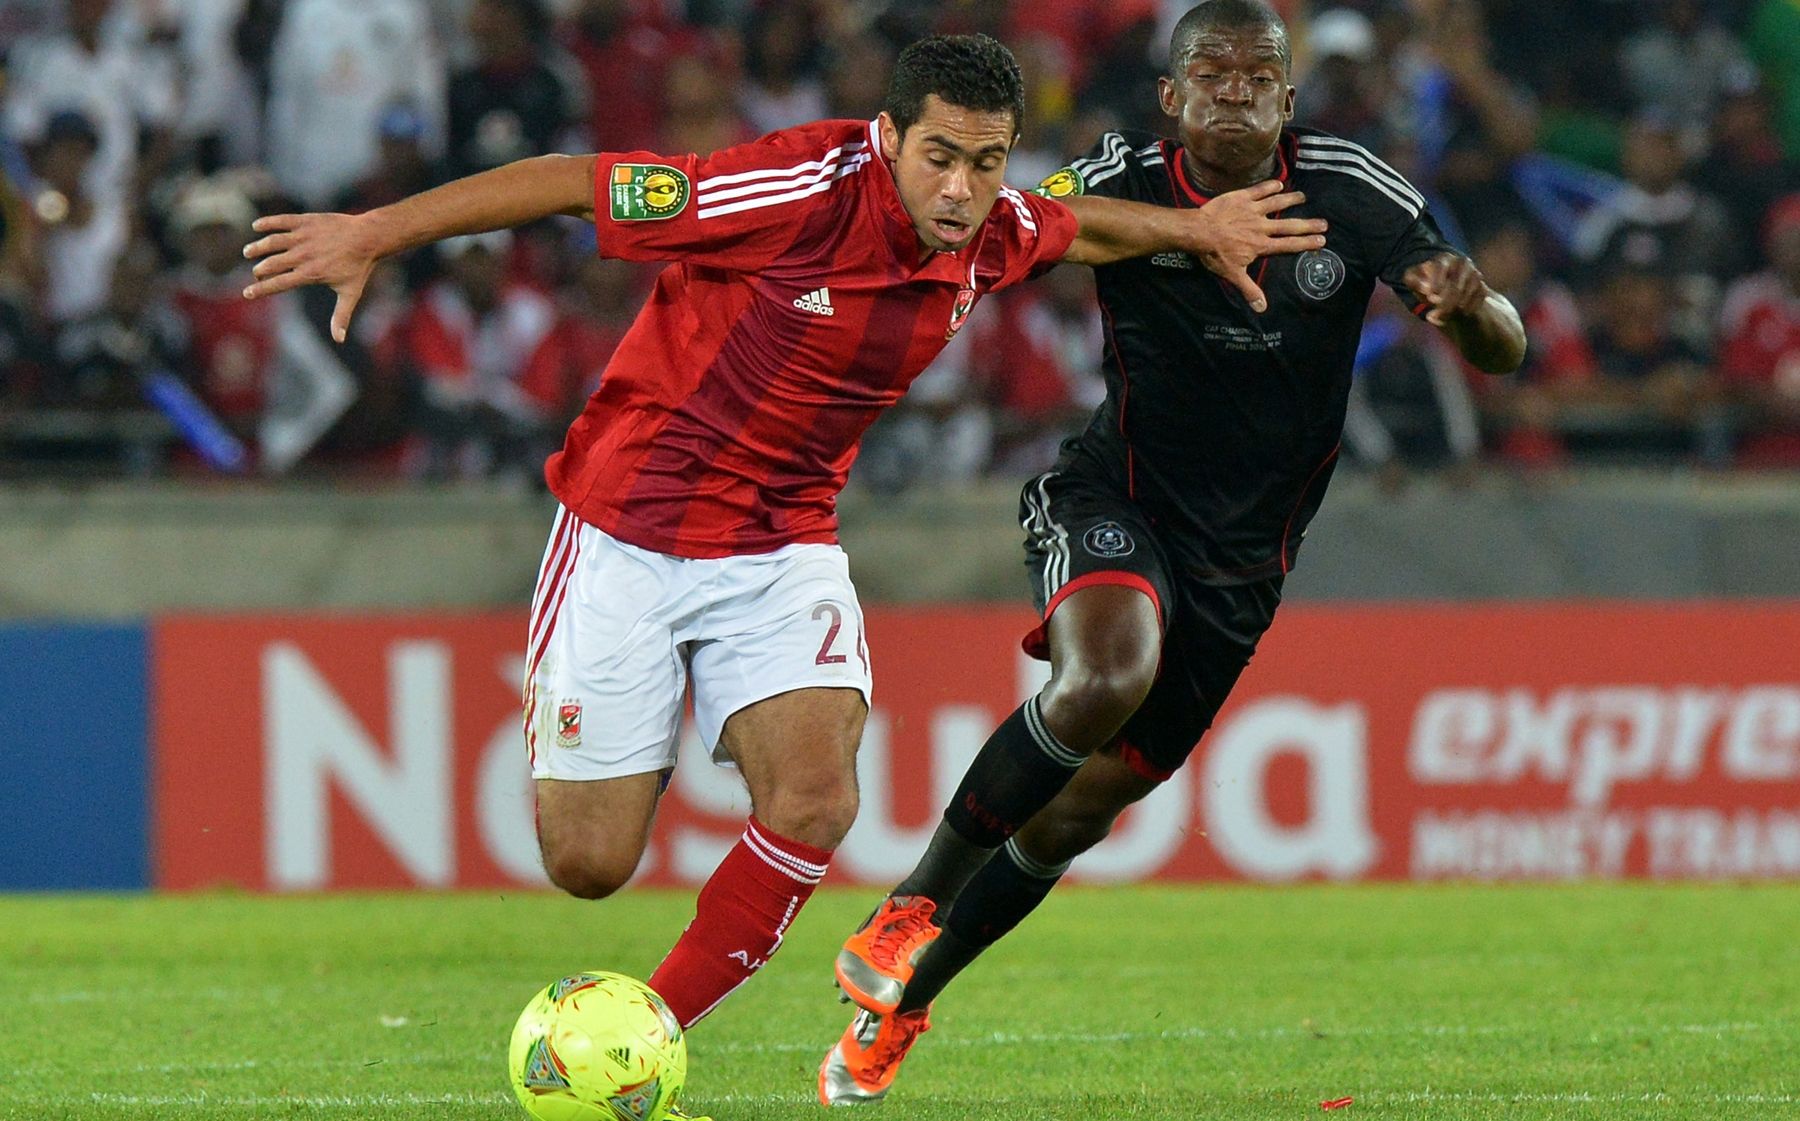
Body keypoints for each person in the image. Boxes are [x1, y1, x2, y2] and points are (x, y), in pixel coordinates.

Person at [242, 30, 1325, 1059]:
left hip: (781, 542)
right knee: (588, 862)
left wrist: (1199, 231)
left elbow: (1078, 225)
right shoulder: (793, 190)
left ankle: (646, 1040)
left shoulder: (992, 229)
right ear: (888, 137)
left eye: (986, 163)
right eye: (940, 157)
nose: (961, 188)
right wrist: (372, 233)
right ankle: (633, 733)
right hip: (630, 526)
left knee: (817, 800)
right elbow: (576, 180)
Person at [821, 3, 1525, 1106]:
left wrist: (1472, 308)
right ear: (1170, 95)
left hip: (1243, 566)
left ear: (1289, 97)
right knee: (1107, 671)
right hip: (1116, 497)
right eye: (1211, 72)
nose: (1234, 90)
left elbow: (1504, 345)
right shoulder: (1122, 176)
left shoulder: (1353, 189)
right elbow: (1007, 225)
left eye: (1258, 75)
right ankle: (910, 901)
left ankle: (906, 999)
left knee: (1071, 815)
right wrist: (1165, 230)